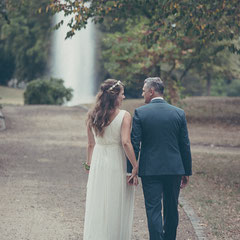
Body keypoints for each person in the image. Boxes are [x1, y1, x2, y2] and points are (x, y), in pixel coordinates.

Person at [127, 77, 192, 240]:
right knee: (171, 208)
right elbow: (185, 144)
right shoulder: (178, 113)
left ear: (151, 91)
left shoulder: (141, 113)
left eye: (143, 90)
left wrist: (131, 169)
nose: (142, 93)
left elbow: (135, 143)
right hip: (174, 169)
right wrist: (186, 171)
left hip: (150, 170)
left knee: (153, 209)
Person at [83, 79, 138, 240]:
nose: (124, 96)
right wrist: (135, 166)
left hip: (98, 162)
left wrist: (89, 165)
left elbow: (90, 144)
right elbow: (126, 142)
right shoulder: (124, 115)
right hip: (116, 161)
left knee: (99, 202)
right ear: (114, 96)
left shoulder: (91, 115)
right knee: (116, 202)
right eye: (122, 94)